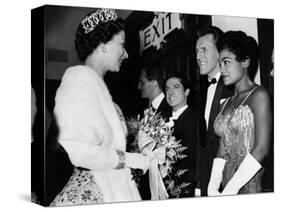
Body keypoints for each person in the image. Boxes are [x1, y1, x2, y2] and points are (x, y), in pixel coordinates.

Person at [50, 8, 152, 206]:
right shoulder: (78, 82)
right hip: (93, 193)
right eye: (122, 45)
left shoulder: (108, 99)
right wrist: (129, 160)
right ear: (103, 45)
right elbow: (65, 146)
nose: (126, 54)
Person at [208, 31, 272, 196]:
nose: (221, 69)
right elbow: (222, 151)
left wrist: (230, 189)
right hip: (226, 191)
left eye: (226, 62)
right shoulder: (226, 103)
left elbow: (262, 149)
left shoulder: (259, 95)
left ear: (245, 62)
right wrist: (213, 187)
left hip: (251, 190)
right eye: (220, 63)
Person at [196, 26, 233, 189]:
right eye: (197, 51)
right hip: (206, 179)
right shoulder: (200, 92)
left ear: (219, 52)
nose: (198, 56)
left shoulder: (233, 87)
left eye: (204, 50)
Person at [164, 73, 206, 198]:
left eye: (176, 87)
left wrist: (198, 187)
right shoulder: (161, 121)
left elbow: (200, 156)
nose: (170, 93)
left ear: (187, 92)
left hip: (188, 188)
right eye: (167, 89)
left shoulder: (196, 119)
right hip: (165, 188)